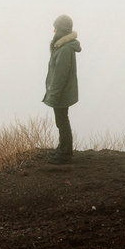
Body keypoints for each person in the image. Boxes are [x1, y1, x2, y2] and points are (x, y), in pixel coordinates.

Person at [42, 14, 82, 164]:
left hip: (61, 92)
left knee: (62, 121)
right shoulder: (63, 47)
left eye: (56, 28)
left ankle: (65, 153)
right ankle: (63, 149)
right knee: (62, 121)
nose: (53, 31)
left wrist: (54, 95)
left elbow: (60, 75)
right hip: (62, 92)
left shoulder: (65, 49)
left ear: (61, 29)